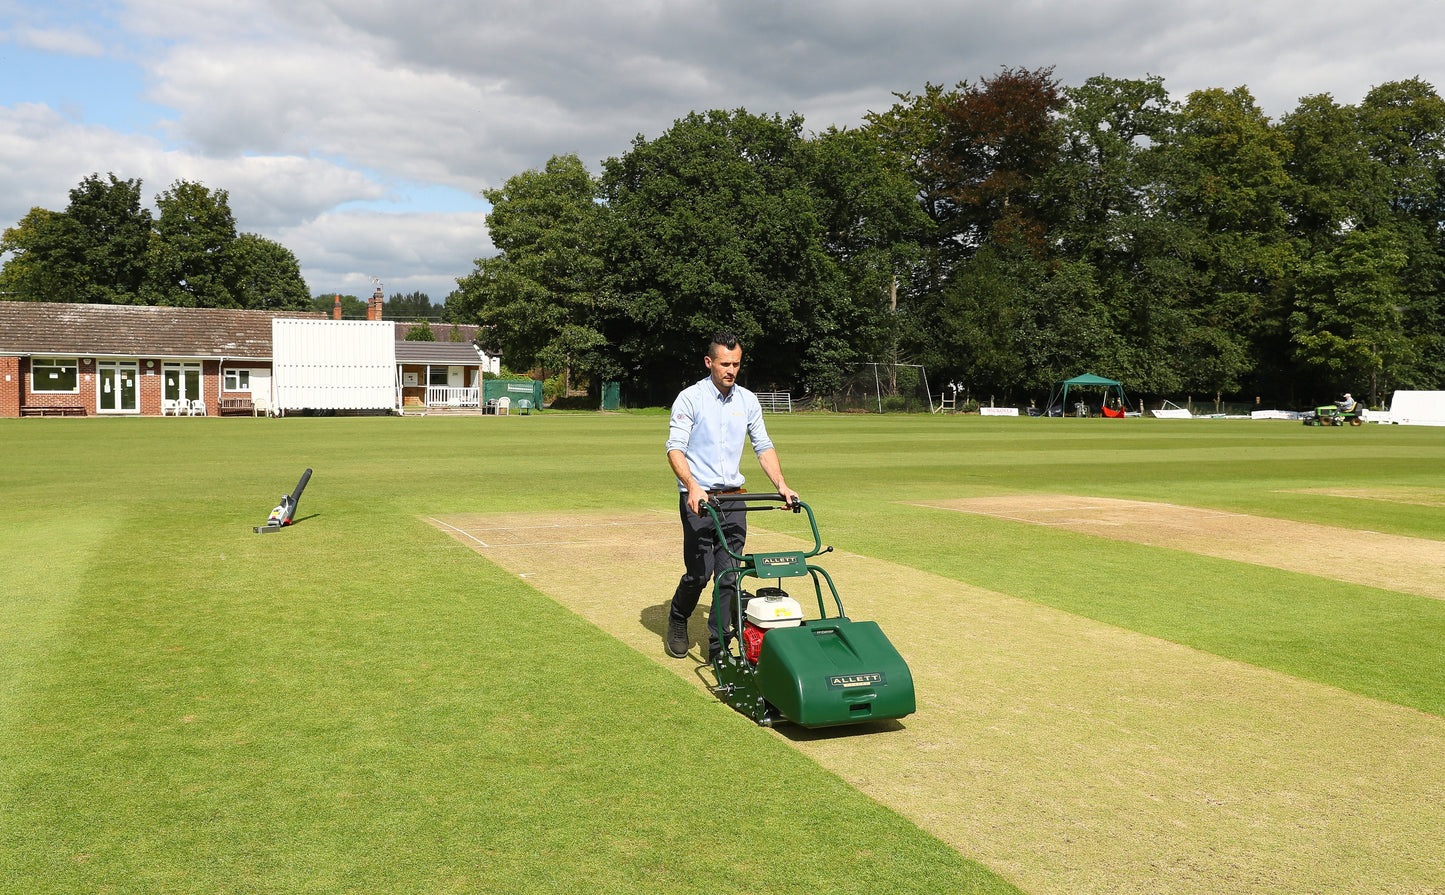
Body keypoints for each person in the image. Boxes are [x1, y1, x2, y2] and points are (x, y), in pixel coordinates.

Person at [664, 332, 798, 661]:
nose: (731, 370)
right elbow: (675, 449)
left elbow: (762, 446)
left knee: (729, 575)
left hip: (735, 500)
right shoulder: (690, 398)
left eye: (736, 363)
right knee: (700, 573)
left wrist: (782, 484)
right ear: (709, 362)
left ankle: (718, 648)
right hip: (699, 500)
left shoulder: (747, 401)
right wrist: (693, 486)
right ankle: (679, 617)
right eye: (725, 363)